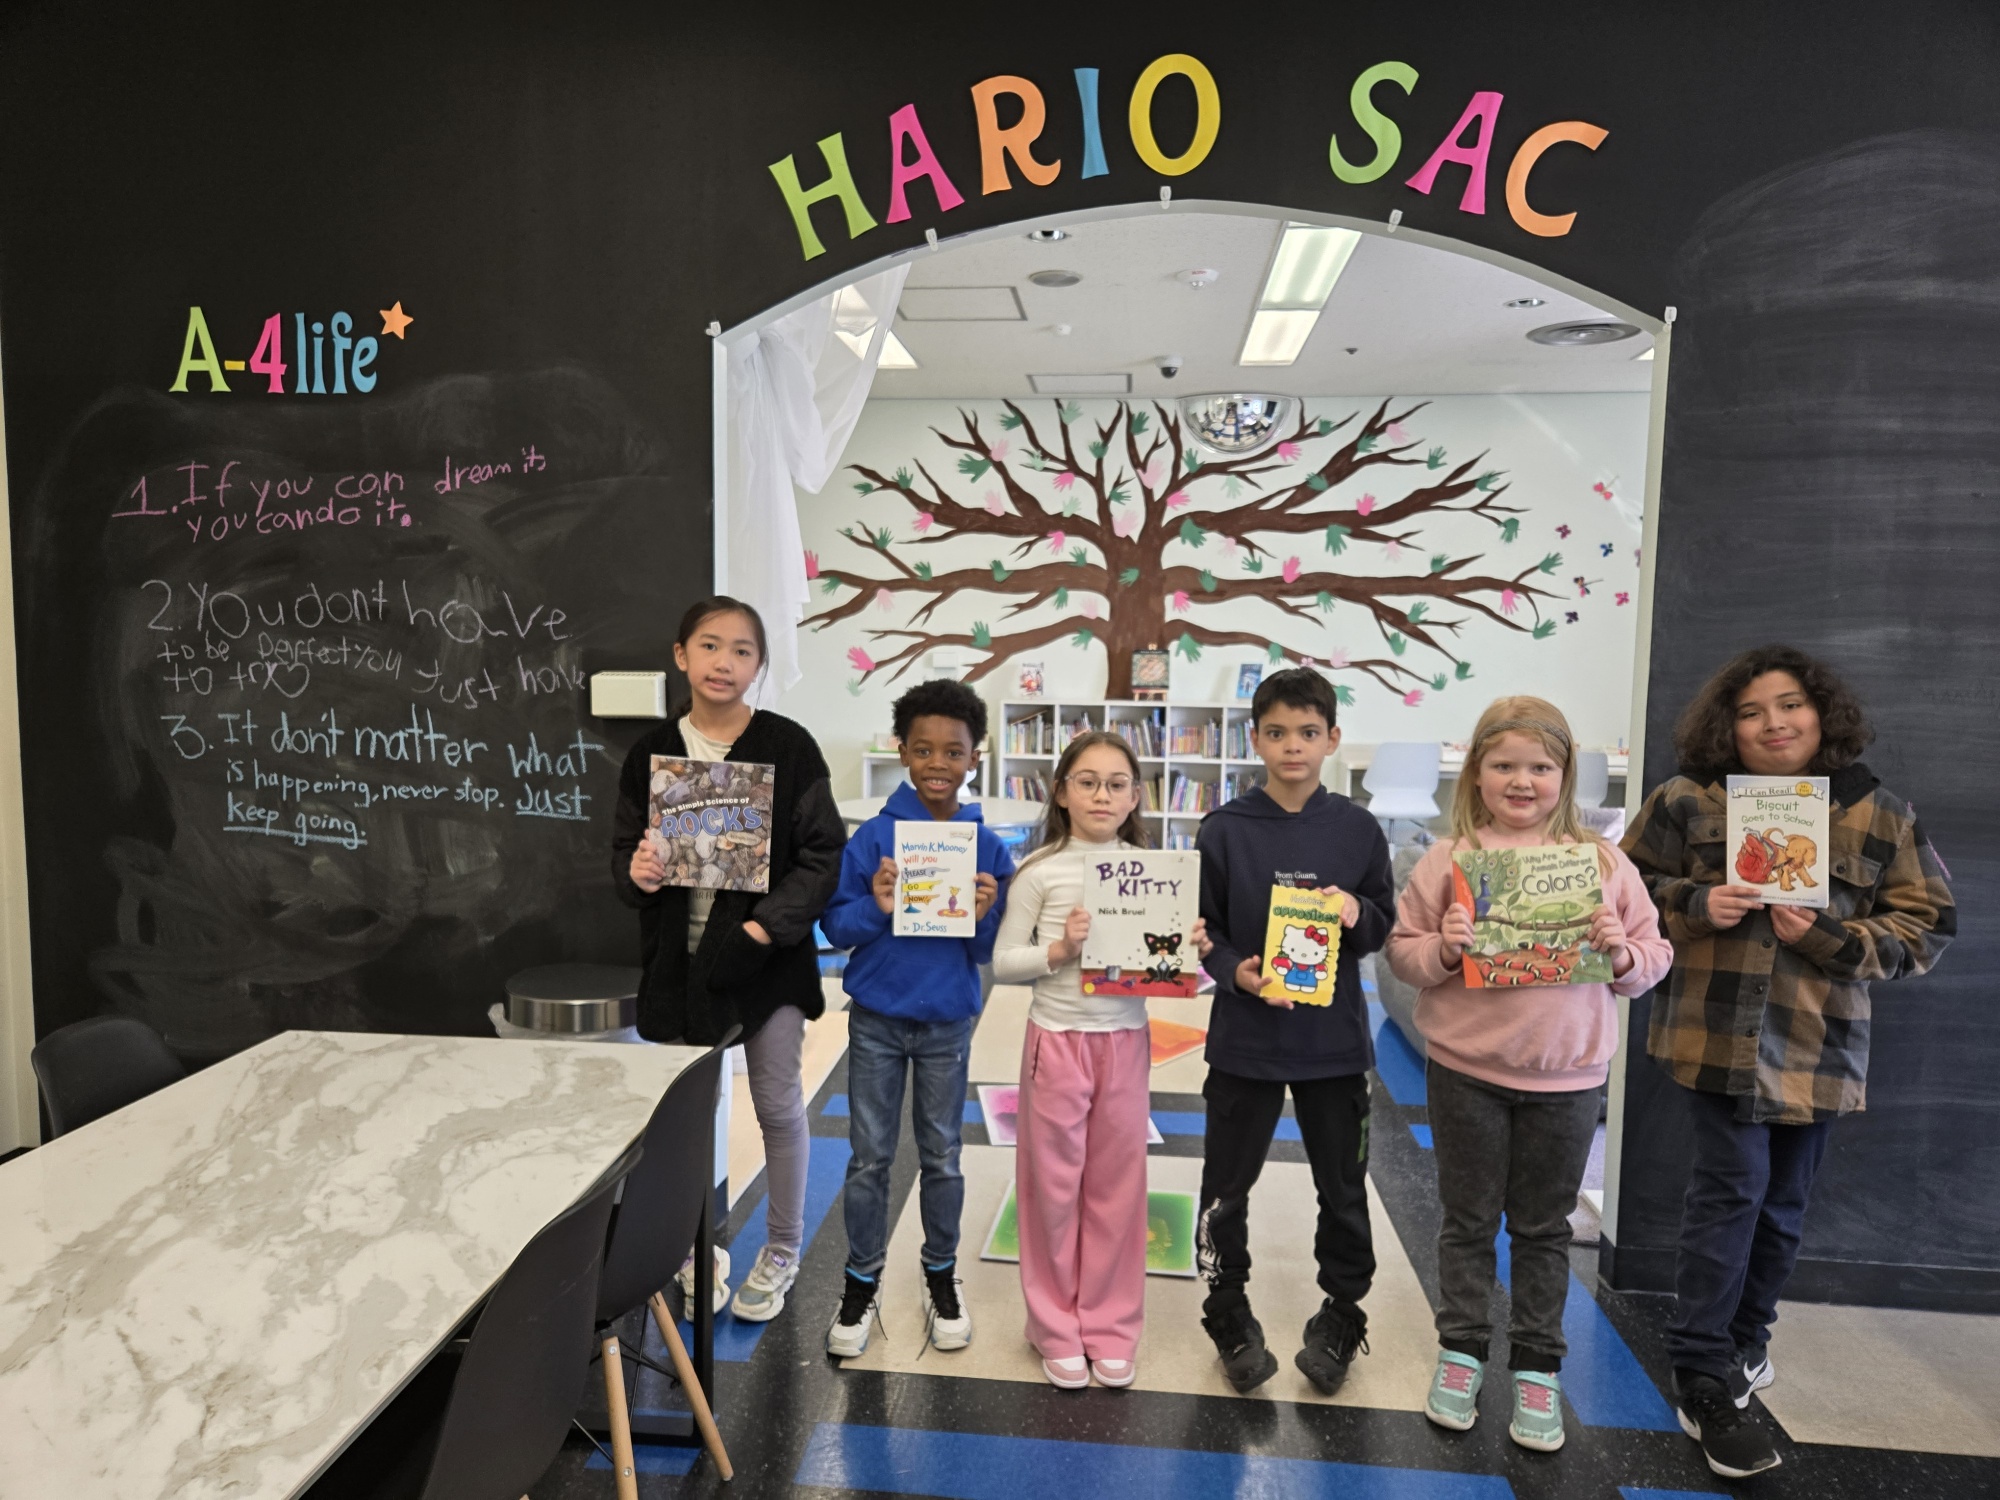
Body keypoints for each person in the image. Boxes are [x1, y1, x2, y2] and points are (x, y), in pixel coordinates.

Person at [1624, 644, 1954, 1479]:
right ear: (1725, 726)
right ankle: (1701, 1370)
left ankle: (1746, 1343)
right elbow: (1622, 889)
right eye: (1750, 711)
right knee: (1730, 1191)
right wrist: (1697, 902)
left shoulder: (1878, 812)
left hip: (1817, 1047)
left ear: (1821, 713)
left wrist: (1834, 937)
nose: (1773, 723)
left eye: (1790, 704)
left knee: (1783, 1205)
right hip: (1711, 1036)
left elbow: (1927, 925)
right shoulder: (1687, 799)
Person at [1387, 696, 1672, 1452]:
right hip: (1465, 1071)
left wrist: (1620, 952)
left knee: (1545, 1228)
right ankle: (1462, 1351)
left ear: (1566, 775)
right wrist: (1443, 949)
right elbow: (1402, 953)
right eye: (1504, 765)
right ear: (1476, 774)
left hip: (1568, 1078)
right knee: (1467, 1220)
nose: (1522, 781)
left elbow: (1654, 958)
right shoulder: (1447, 860)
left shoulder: (1603, 862)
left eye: (1541, 767)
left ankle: (1538, 1363)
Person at [611, 596, 847, 1325]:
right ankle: (694, 1250)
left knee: (776, 1104)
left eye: (743, 650)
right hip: (678, 968)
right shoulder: (652, 752)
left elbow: (823, 855)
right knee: (686, 1118)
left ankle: (782, 1248)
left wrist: (763, 930)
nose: (725, 662)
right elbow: (625, 856)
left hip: (766, 964)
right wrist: (639, 874)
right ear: (681, 655)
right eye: (710, 646)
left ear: (759, 665)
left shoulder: (789, 745)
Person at [1193, 668, 1395, 1396]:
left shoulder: (1358, 829)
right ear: (1255, 739)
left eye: (1308, 732)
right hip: (1244, 1041)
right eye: (1276, 733)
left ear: (1332, 738)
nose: (1292, 746)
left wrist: (1355, 913)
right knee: (1226, 1186)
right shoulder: (1223, 828)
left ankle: (1342, 1311)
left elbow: (1380, 923)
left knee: (1342, 1187)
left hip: (1332, 1047)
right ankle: (1226, 1310)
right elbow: (1205, 934)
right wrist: (1234, 972)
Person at [990, 730, 1208, 1389]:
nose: (1102, 795)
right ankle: (1055, 1326)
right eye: (1086, 782)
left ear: (1137, 795)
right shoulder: (1040, 871)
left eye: (1117, 784)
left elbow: (1179, 974)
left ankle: (1111, 1326)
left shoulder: (1156, 872)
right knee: (1052, 1188)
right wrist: (1059, 949)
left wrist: (1189, 951)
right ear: (1061, 792)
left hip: (1125, 1042)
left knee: (1118, 1187)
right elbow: (1004, 962)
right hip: (1057, 1040)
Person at [819, 680, 1014, 1358]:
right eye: (924, 749)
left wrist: (983, 915)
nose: (938, 763)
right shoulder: (875, 838)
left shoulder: (986, 847)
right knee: (869, 1156)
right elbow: (836, 929)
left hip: (947, 1023)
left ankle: (939, 1275)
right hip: (876, 1018)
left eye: (953, 752)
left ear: (974, 758)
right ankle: (860, 1281)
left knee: (943, 1156)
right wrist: (875, 904)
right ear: (901, 751)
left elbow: (987, 953)